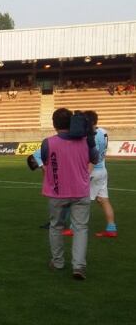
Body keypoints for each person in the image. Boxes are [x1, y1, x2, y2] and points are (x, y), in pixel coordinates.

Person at [40, 108, 99, 280]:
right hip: (80, 191)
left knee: (56, 226)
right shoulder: (85, 141)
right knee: (81, 228)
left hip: (57, 192)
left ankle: (58, 262)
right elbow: (94, 158)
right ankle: (78, 266)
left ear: (54, 123)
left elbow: (44, 160)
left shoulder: (48, 142)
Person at [86, 111, 117, 238]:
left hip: (93, 170)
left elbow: (92, 156)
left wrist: (86, 173)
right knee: (104, 200)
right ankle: (111, 228)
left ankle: (74, 228)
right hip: (103, 170)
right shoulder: (103, 131)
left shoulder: (91, 136)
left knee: (81, 201)